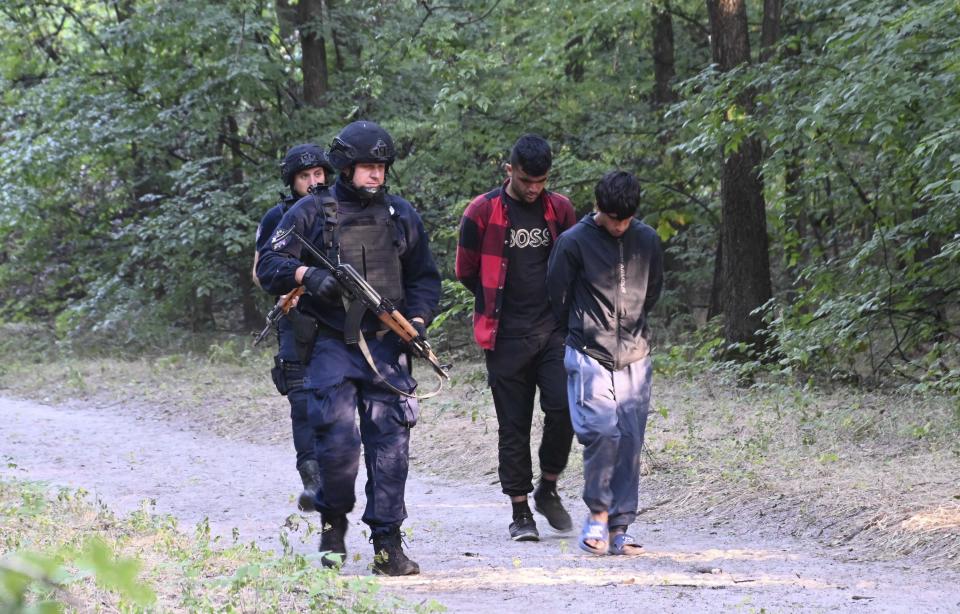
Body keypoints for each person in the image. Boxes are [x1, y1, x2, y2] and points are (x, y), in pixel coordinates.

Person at [256, 121, 441, 576]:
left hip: (387, 346)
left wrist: (415, 323)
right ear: (344, 166)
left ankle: (387, 545)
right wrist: (307, 276)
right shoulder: (310, 212)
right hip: (332, 346)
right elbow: (271, 265)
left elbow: (423, 278)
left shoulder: (400, 214)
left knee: (391, 450)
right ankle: (333, 523)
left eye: (381, 167)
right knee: (337, 449)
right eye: (367, 167)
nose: (376, 175)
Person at [455, 134, 576, 541]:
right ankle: (520, 510)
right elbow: (466, 270)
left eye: (541, 181)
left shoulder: (559, 210)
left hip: (553, 331)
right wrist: (494, 300)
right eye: (527, 180)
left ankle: (548, 485)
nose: (534, 189)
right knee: (513, 424)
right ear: (509, 171)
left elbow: (573, 263)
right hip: (504, 335)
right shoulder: (482, 211)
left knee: (563, 409)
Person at [545, 170, 663, 556]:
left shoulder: (646, 240)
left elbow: (654, 292)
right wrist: (582, 332)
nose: (619, 226)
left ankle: (620, 527)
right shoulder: (573, 242)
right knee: (600, 431)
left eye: (626, 220)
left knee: (629, 438)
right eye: (614, 219)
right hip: (588, 352)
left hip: (635, 355)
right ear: (598, 208)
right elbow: (557, 297)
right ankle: (597, 512)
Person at [253, 143, 335, 514]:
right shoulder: (277, 217)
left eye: (319, 174)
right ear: (292, 181)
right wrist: (293, 284)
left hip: (339, 318)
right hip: (296, 319)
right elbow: (260, 271)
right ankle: (312, 479)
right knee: (301, 400)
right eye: (305, 176)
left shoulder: (341, 209)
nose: (314, 182)